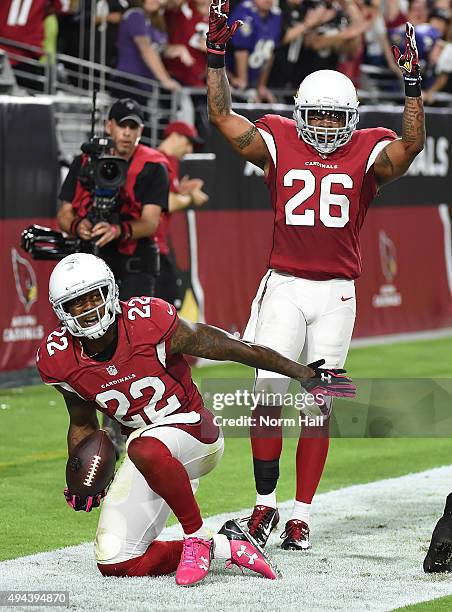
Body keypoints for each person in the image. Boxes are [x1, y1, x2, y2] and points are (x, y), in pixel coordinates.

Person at [207, 4, 425, 551]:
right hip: (283, 284)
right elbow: (223, 119)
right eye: (318, 115)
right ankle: (264, 507)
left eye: (335, 116)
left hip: (336, 294)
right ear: (302, 112)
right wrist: (215, 58)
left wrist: (413, 87)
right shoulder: (279, 137)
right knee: (266, 395)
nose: (326, 126)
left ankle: (301, 515)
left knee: (319, 404)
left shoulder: (369, 147)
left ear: (350, 117)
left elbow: (412, 145)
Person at [35, 252, 356, 586]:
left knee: (143, 445)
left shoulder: (148, 321)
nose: (87, 309)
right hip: (149, 453)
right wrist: (81, 472)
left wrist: (303, 373)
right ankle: (227, 545)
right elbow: (83, 422)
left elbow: (232, 347)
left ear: (111, 292)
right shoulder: (59, 359)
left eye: (93, 296)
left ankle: (197, 535)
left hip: (194, 432)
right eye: (76, 303)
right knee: (117, 560)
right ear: (61, 311)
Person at [58, 97, 170, 455]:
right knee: (91, 340)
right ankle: (96, 418)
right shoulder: (85, 161)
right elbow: (63, 212)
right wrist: (82, 225)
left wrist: (119, 230)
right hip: (91, 262)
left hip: (133, 262)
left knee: (136, 341)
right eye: (121, 125)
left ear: (141, 131)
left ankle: (143, 415)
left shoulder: (154, 166)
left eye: (134, 127)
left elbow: (151, 222)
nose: (127, 133)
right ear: (109, 126)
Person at [156, 120, 208, 308]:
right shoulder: (158, 160)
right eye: (188, 142)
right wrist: (191, 198)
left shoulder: (170, 162)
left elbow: (167, 194)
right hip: (151, 245)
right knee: (166, 305)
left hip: (160, 244)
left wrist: (183, 191)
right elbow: (165, 203)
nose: (189, 149)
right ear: (175, 136)